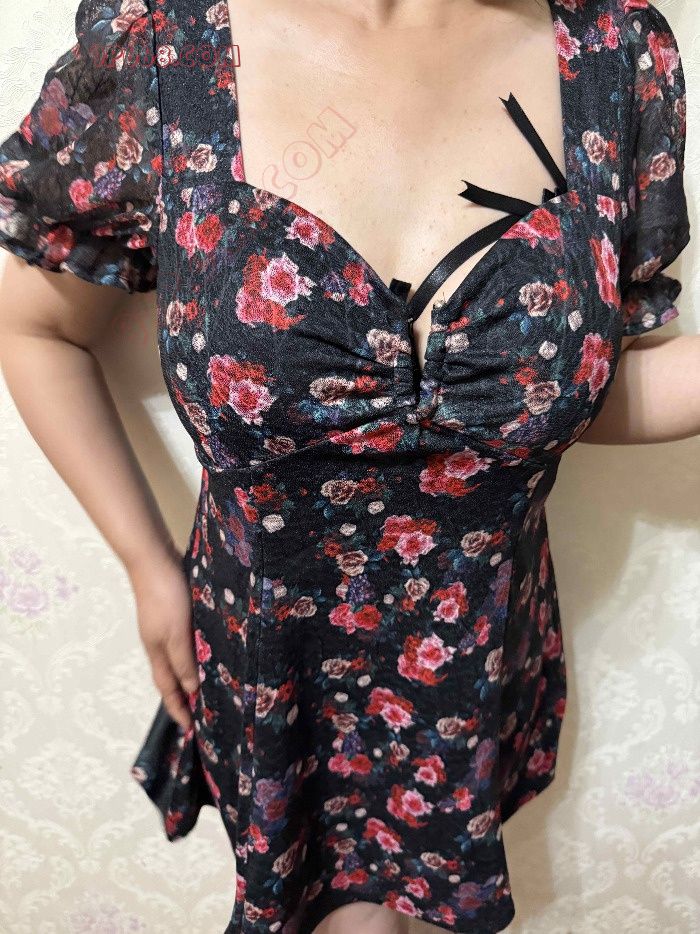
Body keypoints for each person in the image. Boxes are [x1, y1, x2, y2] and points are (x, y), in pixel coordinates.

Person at [0, 1, 697, 932]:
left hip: (476, 658)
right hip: (268, 662)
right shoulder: (163, 45)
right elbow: (35, 326)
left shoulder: (614, 53)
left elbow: (574, 387)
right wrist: (144, 563)